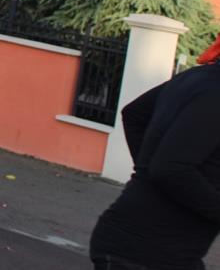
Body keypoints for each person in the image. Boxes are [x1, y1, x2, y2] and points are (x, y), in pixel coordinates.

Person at [89, 39, 220, 270]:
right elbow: (171, 168)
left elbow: (134, 114)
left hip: (162, 250)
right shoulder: (214, 91)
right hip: (144, 251)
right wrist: (150, 171)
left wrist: (146, 170)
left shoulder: (195, 77)